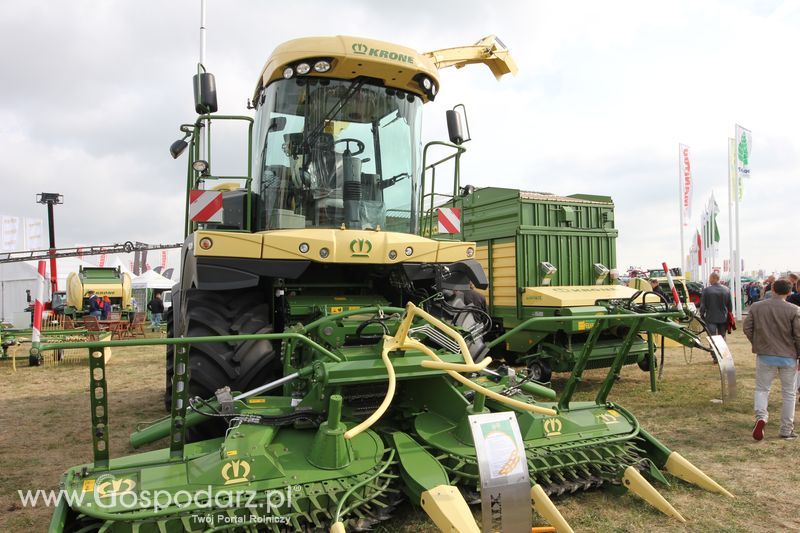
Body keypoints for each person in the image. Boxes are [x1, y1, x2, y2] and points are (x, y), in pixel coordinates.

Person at [744, 279, 800, 440]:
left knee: (762, 389)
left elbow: (747, 328)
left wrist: (757, 343)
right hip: (788, 356)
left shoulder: (757, 307)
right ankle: (786, 429)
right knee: (789, 393)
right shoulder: (794, 310)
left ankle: (761, 417)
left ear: (772, 289)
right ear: (789, 292)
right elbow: (798, 335)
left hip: (765, 355)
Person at [699, 272, 732, 339]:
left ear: (714, 278)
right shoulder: (727, 290)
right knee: (722, 336)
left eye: (710, 278)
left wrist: (702, 315)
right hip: (723, 317)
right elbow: (730, 306)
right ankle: (722, 349)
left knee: (712, 337)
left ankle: (713, 349)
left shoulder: (706, 290)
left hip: (710, 317)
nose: (709, 280)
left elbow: (702, 306)